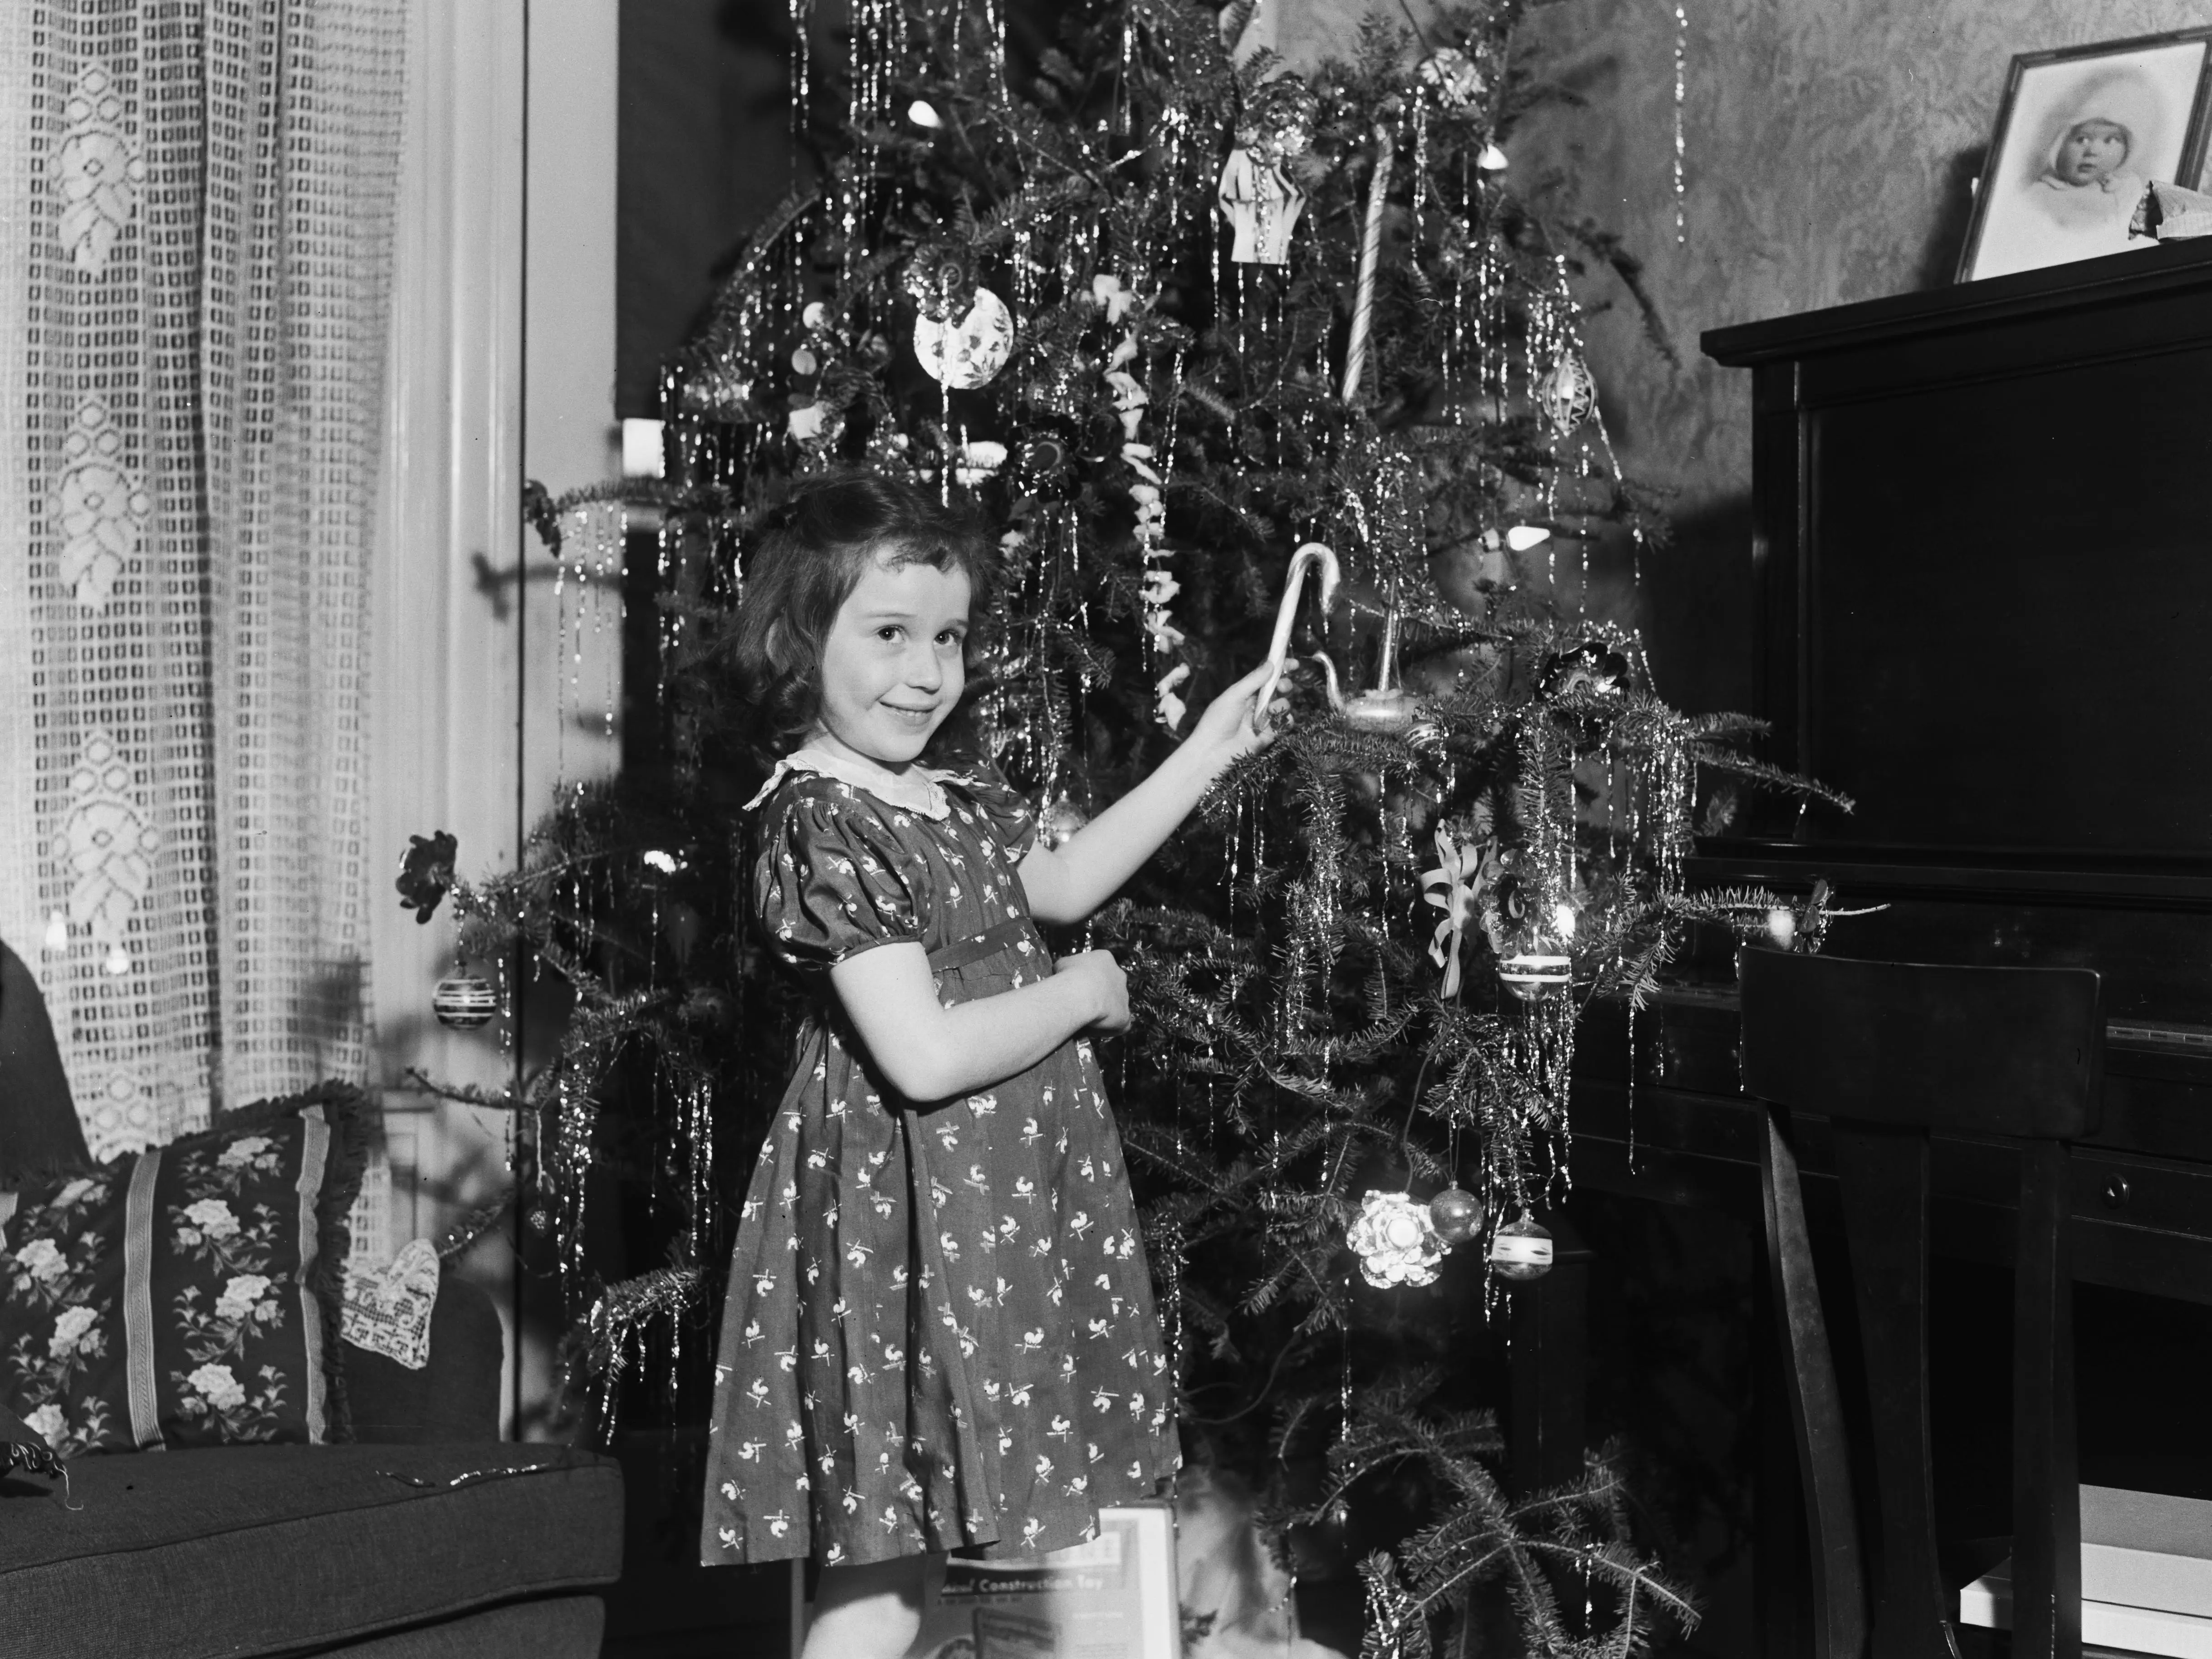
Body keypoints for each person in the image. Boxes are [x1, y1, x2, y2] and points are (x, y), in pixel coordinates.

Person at [698, 474, 1279, 1658]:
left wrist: (1207, 751)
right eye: (889, 634)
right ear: (799, 640)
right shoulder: (823, 817)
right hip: (910, 1222)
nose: (925, 672)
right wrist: (1079, 993)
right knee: (885, 1581)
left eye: (948, 638)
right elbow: (921, 1057)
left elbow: (1062, 881)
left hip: (986, 1207)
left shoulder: (940, 798)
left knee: (906, 1577)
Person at [2027, 116, 2145, 233]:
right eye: (2082, 140)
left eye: (2110, 141)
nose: (2093, 151)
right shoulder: (2040, 194)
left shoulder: (2127, 190)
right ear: (2059, 145)